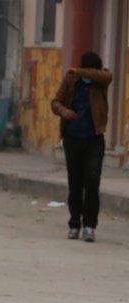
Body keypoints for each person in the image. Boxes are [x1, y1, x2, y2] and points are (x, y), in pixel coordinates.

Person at [51, 51, 112, 242]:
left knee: (92, 181)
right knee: (75, 183)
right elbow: (55, 102)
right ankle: (75, 223)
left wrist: (81, 71)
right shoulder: (71, 81)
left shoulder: (100, 82)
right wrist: (64, 111)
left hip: (94, 139)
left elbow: (106, 75)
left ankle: (89, 226)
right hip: (72, 138)